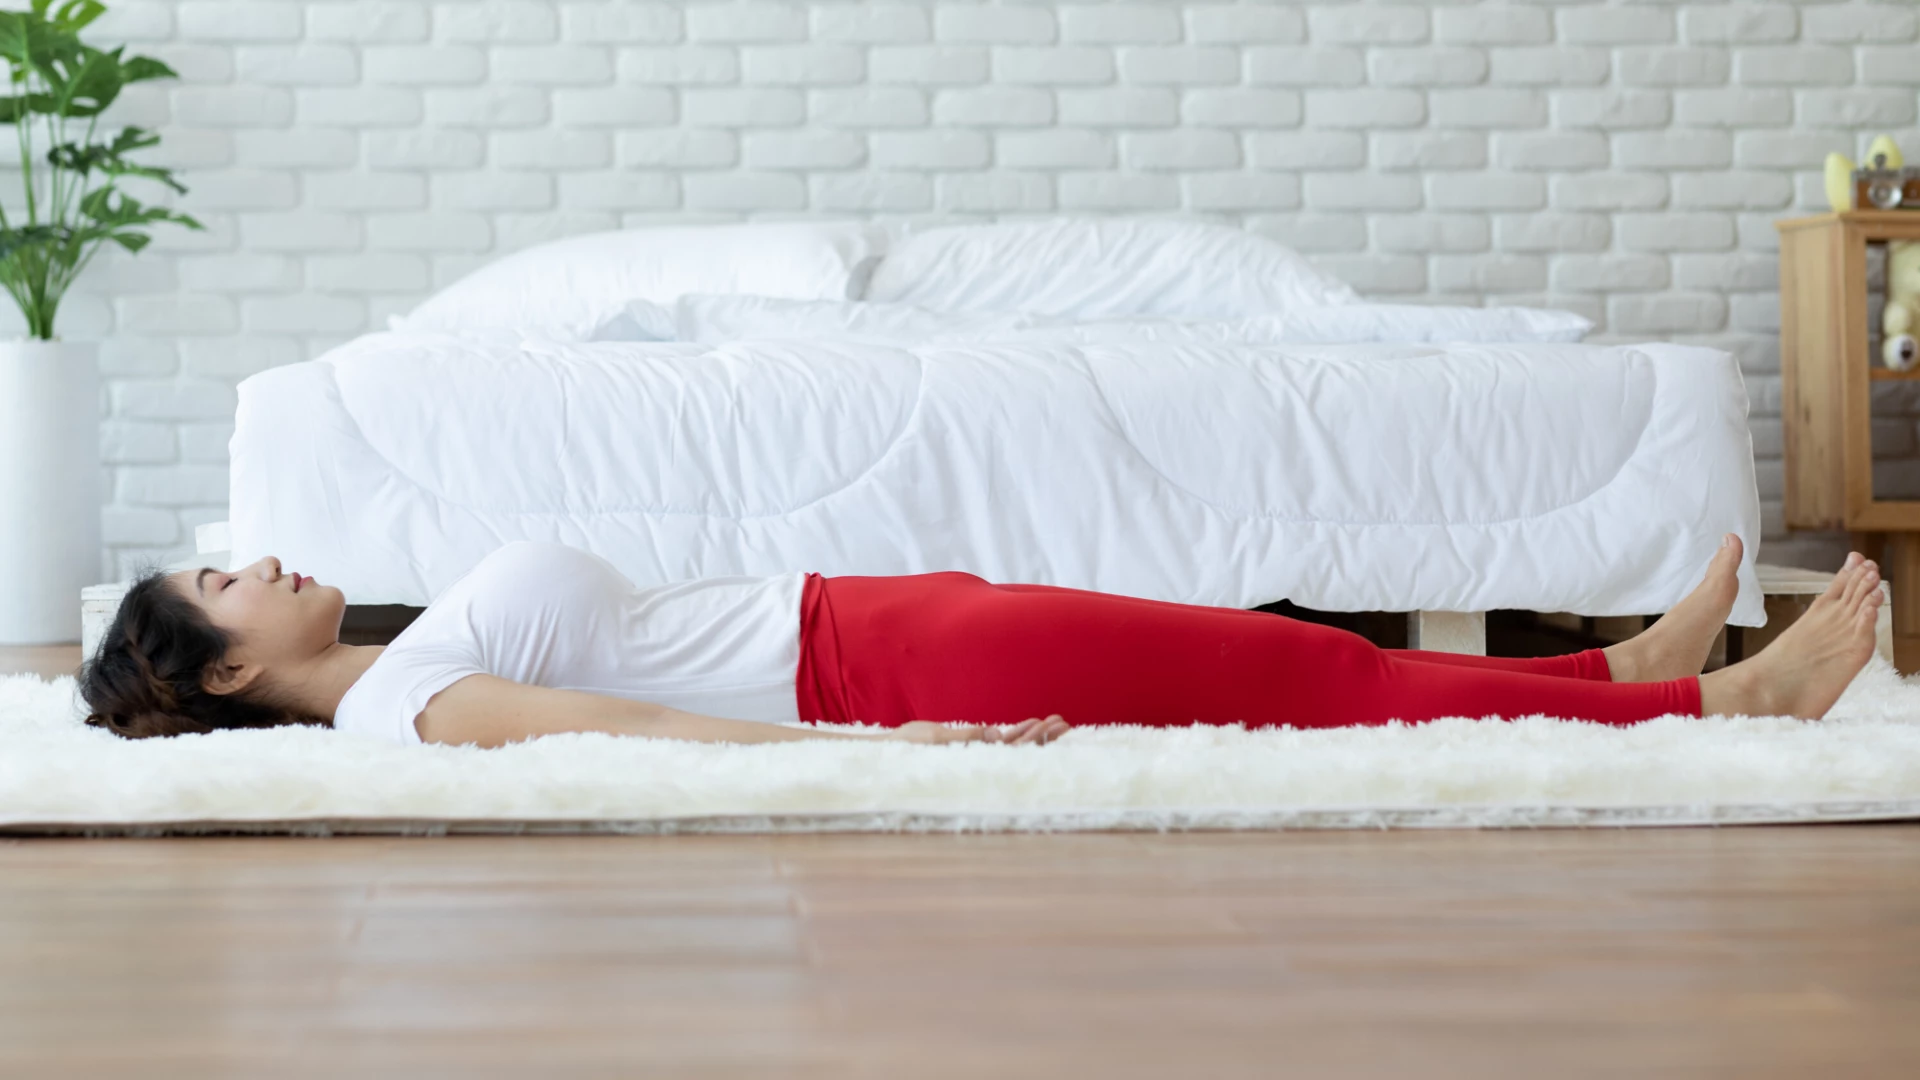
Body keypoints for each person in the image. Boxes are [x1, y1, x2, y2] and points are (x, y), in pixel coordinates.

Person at [77, 535, 1883, 750]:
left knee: (1276, 654)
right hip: (878, 679)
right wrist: (873, 755)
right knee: (1319, 685)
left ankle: (1617, 671)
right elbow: (600, 729)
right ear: (223, 669)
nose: (265, 562)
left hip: (875, 619)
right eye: (227, 585)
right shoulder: (402, 709)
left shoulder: (395, 660)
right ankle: (1720, 703)